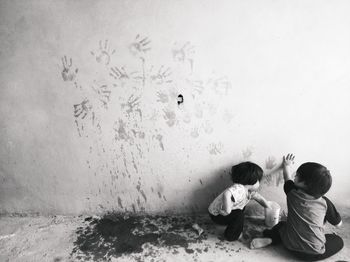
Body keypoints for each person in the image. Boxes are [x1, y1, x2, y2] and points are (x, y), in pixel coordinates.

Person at [250, 154, 344, 261]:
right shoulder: (325, 203)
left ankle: (271, 238)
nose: (295, 175)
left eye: (298, 175)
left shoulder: (292, 192)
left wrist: (286, 165)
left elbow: (287, 178)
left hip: (289, 244)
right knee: (338, 240)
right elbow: (338, 224)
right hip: (312, 254)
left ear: (305, 184)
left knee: (281, 225)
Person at [208, 161, 271, 241]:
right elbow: (227, 193)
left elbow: (259, 198)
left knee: (241, 209)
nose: (259, 183)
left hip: (219, 212)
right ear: (252, 180)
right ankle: (231, 235)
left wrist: (269, 207)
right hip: (217, 214)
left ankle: (233, 223)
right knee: (239, 215)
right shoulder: (239, 188)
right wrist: (227, 210)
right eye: (258, 180)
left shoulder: (249, 191)